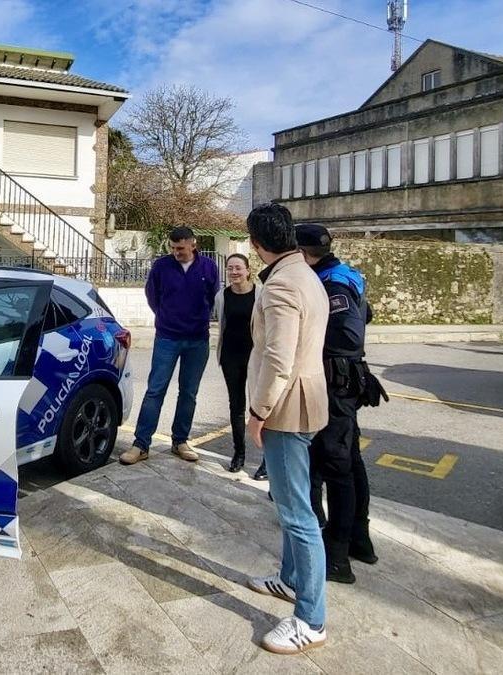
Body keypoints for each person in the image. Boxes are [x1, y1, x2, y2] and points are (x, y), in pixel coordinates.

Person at [241, 203, 330, 655]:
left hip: (286, 407)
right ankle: (291, 580)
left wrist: (258, 412)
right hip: (306, 398)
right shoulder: (305, 273)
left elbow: (279, 358)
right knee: (295, 501)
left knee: (297, 513)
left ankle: (311, 620)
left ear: (256, 244)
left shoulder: (280, 285)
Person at [295, 224, 380, 584]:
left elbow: (348, 332)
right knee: (349, 463)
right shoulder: (343, 274)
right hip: (343, 383)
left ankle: (338, 556)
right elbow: (368, 313)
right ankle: (360, 539)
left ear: (303, 252)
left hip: (336, 385)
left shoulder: (331, 283)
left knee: (337, 466)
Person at [120, 226, 219, 465]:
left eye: (181, 248)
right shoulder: (161, 266)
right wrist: (165, 316)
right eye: (173, 248)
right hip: (167, 337)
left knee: (189, 392)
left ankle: (180, 441)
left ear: (193, 244)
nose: (176, 252)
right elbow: (152, 296)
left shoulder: (209, 267)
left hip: (198, 339)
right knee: (155, 390)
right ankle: (141, 444)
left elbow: (212, 295)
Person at [212, 253, 260, 474]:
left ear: (248, 270)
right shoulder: (222, 296)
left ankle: (267, 460)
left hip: (256, 357)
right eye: (230, 268)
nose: (234, 272)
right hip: (230, 356)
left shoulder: (261, 294)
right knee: (236, 406)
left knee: (261, 407)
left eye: (238, 268)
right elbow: (221, 322)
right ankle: (239, 453)